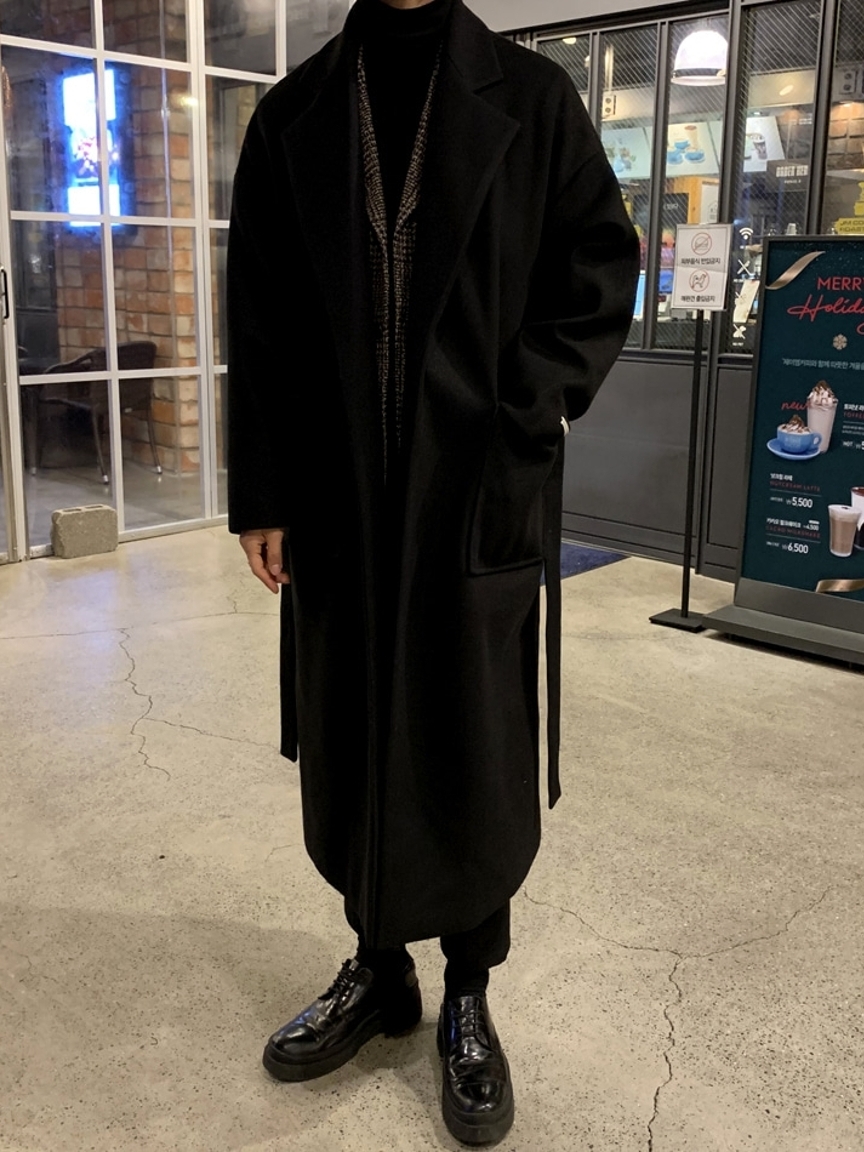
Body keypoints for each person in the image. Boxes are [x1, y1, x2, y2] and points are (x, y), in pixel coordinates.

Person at [227, 0, 639, 1143]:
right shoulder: (293, 116)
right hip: (338, 498)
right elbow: (257, 315)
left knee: (472, 732)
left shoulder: (535, 102)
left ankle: (467, 990)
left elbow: (599, 268)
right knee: (356, 720)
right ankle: (378, 967)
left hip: (476, 492)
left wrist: (526, 416)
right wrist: (263, 492)